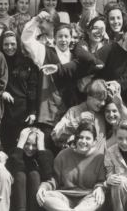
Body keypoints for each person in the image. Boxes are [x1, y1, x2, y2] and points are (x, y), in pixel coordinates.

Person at [22, 20, 88, 153]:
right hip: (48, 114)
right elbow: (26, 38)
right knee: (46, 152)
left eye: (66, 36)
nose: (63, 40)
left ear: (71, 38)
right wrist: (36, 19)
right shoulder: (44, 52)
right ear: (55, 38)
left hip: (70, 116)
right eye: (60, 36)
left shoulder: (77, 57)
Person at [36, 122, 106, 211]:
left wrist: (100, 187)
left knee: (98, 198)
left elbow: (101, 181)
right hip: (64, 197)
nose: (83, 141)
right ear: (76, 138)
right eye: (80, 137)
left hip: (87, 198)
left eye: (88, 138)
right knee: (44, 196)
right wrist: (44, 187)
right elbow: (54, 180)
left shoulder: (99, 157)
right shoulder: (63, 154)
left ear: (95, 141)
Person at [0, 30, 38, 152]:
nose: (9, 48)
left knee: (21, 148)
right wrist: (1, 92)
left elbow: (32, 88)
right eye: (6, 44)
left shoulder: (27, 62)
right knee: (6, 148)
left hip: (22, 114)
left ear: (18, 44)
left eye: (13, 44)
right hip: (3, 113)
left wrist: (33, 111)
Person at [51, 79, 109, 152]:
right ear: (89, 96)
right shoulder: (74, 111)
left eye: (105, 100)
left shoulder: (103, 113)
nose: (103, 103)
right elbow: (55, 136)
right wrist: (76, 122)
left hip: (98, 161)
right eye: (100, 99)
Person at [5, 127, 54, 211]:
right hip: (17, 199)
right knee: (20, 175)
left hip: (36, 201)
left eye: (34, 145)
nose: (30, 148)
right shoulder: (15, 152)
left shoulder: (46, 154)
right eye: (27, 143)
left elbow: (46, 176)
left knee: (34, 174)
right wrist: (20, 144)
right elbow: (14, 171)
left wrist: (41, 148)